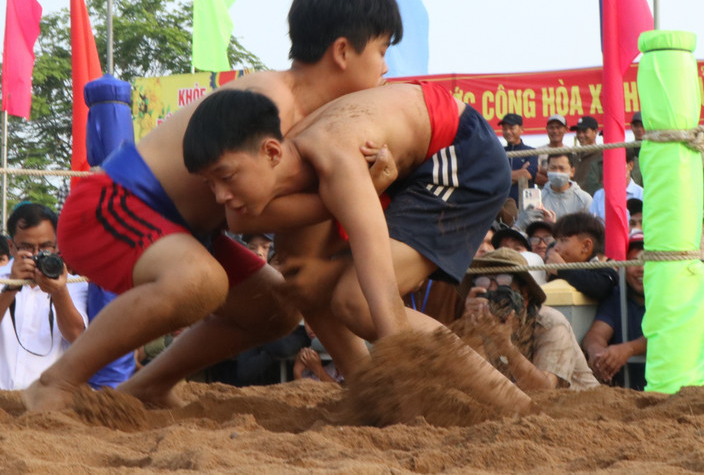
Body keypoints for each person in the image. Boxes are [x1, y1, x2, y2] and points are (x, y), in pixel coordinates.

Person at [24, 0, 407, 411]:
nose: (385, 68)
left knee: (276, 308)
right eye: (381, 50)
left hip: (183, 232)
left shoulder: (314, 123)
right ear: (342, 51)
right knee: (200, 281)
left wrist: (366, 383)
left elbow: (304, 272)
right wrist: (357, 192)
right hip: (110, 206)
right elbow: (245, 216)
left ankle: (149, 385)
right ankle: (56, 382)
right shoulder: (269, 102)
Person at [183, 84, 531, 411]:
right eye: (209, 184)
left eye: (226, 178)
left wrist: (407, 384)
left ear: (272, 153)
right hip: (394, 164)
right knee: (301, 276)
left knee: (357, 299)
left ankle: (515, 404)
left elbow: (379, 286)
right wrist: (374, 184)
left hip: (462, 153)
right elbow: (324, 211)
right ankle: (372, 398)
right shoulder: (258, 196)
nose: (220, 196)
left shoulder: (336, 158)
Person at [0, 204, 88, 390]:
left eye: (45, 247)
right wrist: (12, 286)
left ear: (57, 245)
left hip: (45, 397)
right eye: (27, 247)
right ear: (11, 247)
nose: (36, 255)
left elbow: (76, 335)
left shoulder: (74, 284)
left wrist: (59, 290)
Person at [457, 247, 599, 391]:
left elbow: (545, 390)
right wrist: (470, 329)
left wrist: (505, 346)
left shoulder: (549, 323)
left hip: (581, 402)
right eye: (483, 282)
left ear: (525, 293)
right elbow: (470, 380)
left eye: (504, 281)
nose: (492, 290)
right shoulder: (481, 325)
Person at [581, 234, 647, 389]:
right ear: (622, 266)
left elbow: (668, 335)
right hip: (627, 395)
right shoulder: (617, 296)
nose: (641, 269)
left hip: (673, 392)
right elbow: (595, 334)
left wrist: (628, 349)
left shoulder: (672, 296)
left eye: (648, 261)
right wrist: (598, 352)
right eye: (634, 261)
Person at [544, 212, 616, 301]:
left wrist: (562, 269)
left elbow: (600, 287)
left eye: (563, 240)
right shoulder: (557, 273)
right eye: (556, 241)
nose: (555, 248)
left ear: (586, 246)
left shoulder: (606, 272)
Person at [518, 153, 591, 230]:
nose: (557, 172)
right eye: (553, 168)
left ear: (572, 171)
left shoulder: (584, 200)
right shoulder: (538, 199)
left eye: (562, 168)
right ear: (547, 170)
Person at [589, 148, 643, 222]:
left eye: (617, 164)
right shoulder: (599, 196)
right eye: (608, 165)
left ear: (630, 165)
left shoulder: (642, 195)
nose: (612, 169)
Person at [499, 113, 537, 204]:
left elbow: (527, 174)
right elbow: (494, 177)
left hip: (526, 204)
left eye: (511, 128)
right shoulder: (498, 152)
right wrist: (520, 173)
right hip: (502, 205)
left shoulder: (531, 151)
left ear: (522, 129)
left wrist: (502, 177)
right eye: (505, 129)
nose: (508, 132)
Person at [570, 116, 603, 196]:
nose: (581, 135)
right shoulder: (574, 156)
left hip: (594, 200)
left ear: (595, 132)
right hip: (575, 200)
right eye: (578, 132)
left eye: (584, 131)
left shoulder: (602, 155)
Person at [535, 114, 567, 187]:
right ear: (547, 129)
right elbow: (535, 176)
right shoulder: (537, 151)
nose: (555, 131)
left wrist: (541, 170)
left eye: (558, 127)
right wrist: (559, 182)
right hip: (544, 193)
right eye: (551, 128)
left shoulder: (571, 152)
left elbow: (572, 177)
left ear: (565, 129)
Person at [629, 111, 644, 186]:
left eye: (642, 126)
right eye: (636, 126)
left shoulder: (654, 149)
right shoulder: (627, 149)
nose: (639, 129)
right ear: (631, 127)